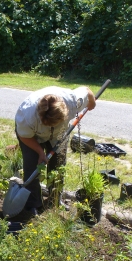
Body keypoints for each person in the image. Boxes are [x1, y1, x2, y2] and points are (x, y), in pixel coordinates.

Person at [15, 86, 96, 215]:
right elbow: (24, 136)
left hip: (59, 134)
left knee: (58, 165)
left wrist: (92, 103)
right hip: (32, 136)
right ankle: (33, 204)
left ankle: (55, 200)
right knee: (32, 166)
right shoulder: (26, 115)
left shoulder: (72, 102)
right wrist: (40, 152)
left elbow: (87, 91)